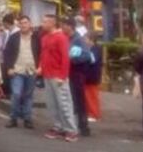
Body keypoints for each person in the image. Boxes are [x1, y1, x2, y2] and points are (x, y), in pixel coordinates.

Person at [39, 14, 79, 142]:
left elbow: (65, 59)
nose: (42, 24)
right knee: (52, 104)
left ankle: (71, 130)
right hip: (47, 74)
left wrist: (63, 76)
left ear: (52, 23)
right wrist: (40, 67)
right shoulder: (44, 38)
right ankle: (58, 126)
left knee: (64, 104)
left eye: (45, 22)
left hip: (58, 76)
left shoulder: (61, 37)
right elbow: (43, 54)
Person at [3, 15, 39, 129]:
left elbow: (42, 53)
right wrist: (9, 67)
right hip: (17, 70)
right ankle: (13, 118)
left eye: (25, 23)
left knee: (28, 96)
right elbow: (6, 53)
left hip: (31, 70)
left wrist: (40, 67)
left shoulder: (36, 38)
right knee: (16, 94)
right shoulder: (13, 37)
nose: (23, 25)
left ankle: (27, 119)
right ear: (18, 25)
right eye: (21, 23)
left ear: (30, 24)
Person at [62, 18, 93, 137]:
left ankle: (83, 126)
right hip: (66, 73)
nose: (62, 27)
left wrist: (72, 60)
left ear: (70, 26)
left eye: (64, 25)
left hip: (77, 74)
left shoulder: (79, 39)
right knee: (69, 100)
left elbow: (86, 56)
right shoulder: (65, 38)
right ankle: (70, 125)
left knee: (79, 100)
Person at [84, 33, 103, 122]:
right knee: (88, 96)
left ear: (91, 40)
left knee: (92, 96)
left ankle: (94, 113)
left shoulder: (96, 49)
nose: (84, 41)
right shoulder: (92, 48)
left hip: (93, 76)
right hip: (89, 76)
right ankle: (90, 112)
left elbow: (93, 60)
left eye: (86, 39)